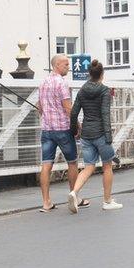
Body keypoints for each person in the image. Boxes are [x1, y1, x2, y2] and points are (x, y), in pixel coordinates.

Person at [68, 60, 123, 212]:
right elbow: (105, 114)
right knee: (107, 166)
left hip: (86, 134)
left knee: (88, 167)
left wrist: (74, 130)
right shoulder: (104, 91)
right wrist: (108, 137)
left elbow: (73, 113)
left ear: (89, 74)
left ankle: (74, 192)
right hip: (100, 134)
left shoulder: (82, 91)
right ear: (102, 74)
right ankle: (107, 201)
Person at [38, 54, 82, 212]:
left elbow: (40, 107)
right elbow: (68, 107)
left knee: (46, 164)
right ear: (56, 65)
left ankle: (46, 202)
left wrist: (47, 117)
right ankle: (75, 196)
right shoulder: (62, 83)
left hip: (47, 130)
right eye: (65, 64)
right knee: (72, 162)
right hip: (62, 129)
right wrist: (76, 125)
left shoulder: (43, 82)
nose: (68, 67)